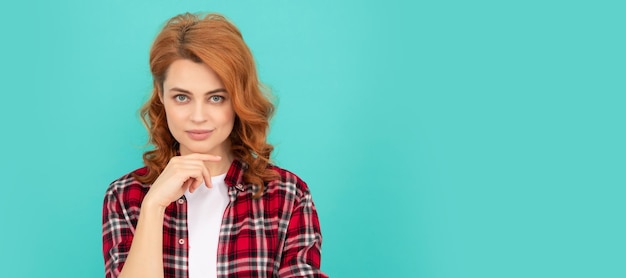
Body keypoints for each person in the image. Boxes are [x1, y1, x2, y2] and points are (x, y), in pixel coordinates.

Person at [102, 12, 327, 278]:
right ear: (161, 96)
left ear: (238, 99)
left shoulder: (288, 197)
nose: (198, 117)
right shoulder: (126, 197)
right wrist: (154, 207)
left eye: (216, 98)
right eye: (182, 97)